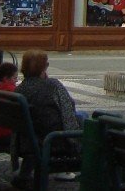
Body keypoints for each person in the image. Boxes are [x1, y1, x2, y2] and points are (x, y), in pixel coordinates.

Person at [15, 50, 82, 188]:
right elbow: (68, 112)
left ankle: (24, 173)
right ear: (43, 67)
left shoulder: (20, 90)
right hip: (53, 141)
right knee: (85, 120)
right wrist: (76, 141)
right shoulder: (52, 85)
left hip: (26, 142)